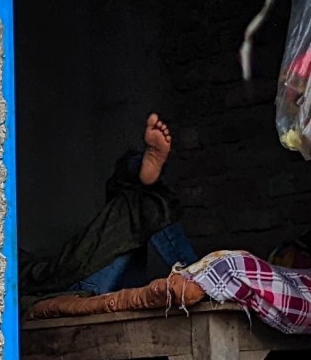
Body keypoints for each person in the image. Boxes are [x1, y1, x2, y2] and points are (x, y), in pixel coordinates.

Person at [19, 114, 198, 297]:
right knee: (144, 201)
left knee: (138, 199)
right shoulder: (13, 271)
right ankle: (197, 278)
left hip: (91, 274)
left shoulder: (20, 261)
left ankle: (136, 169)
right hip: (75, 284)